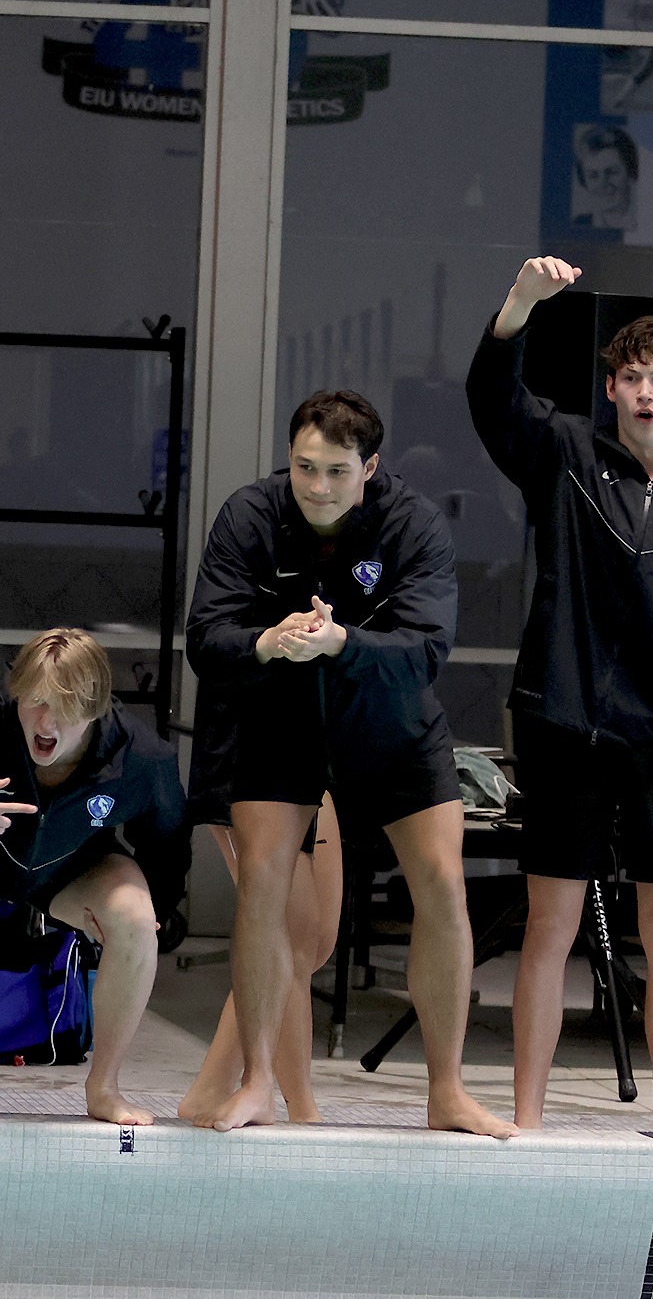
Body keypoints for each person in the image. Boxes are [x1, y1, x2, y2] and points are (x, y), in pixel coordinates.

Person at [469, 257, 653, 1135]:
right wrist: (518, 305)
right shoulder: (565, 457)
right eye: (629, 378)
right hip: (568, 726)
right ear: (612, 387)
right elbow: (492, 402)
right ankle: (527, 1121)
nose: (642, 393)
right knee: (548, 928)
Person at [186, 389, 515, 1137]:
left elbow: (428, 650)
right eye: (305, 467)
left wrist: (344, 644)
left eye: (336, 470)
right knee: (263, 888)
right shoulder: (248, 515)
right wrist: (266, 641)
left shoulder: (413, 524)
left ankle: (447, 1088)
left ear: (369, 466)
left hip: (391, 724)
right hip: (279, 719)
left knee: (441, 884)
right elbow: (206, 635)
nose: (318, 486)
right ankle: (257, 1081)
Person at [0, 628, 187, 1124]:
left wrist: (162, 910)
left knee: (135, 915)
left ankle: (104, 1086)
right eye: (35, 702)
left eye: (65, 707)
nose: (46, 723)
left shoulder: (139, 755)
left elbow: (168, 838)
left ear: (96, 709)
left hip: (68, 869)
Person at [176, 684, 342, 1125]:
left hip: (316, 741)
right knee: (294, 938)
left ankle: (212, 1085)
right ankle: (302, 1111)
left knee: (317, 939)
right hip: (250, 751)